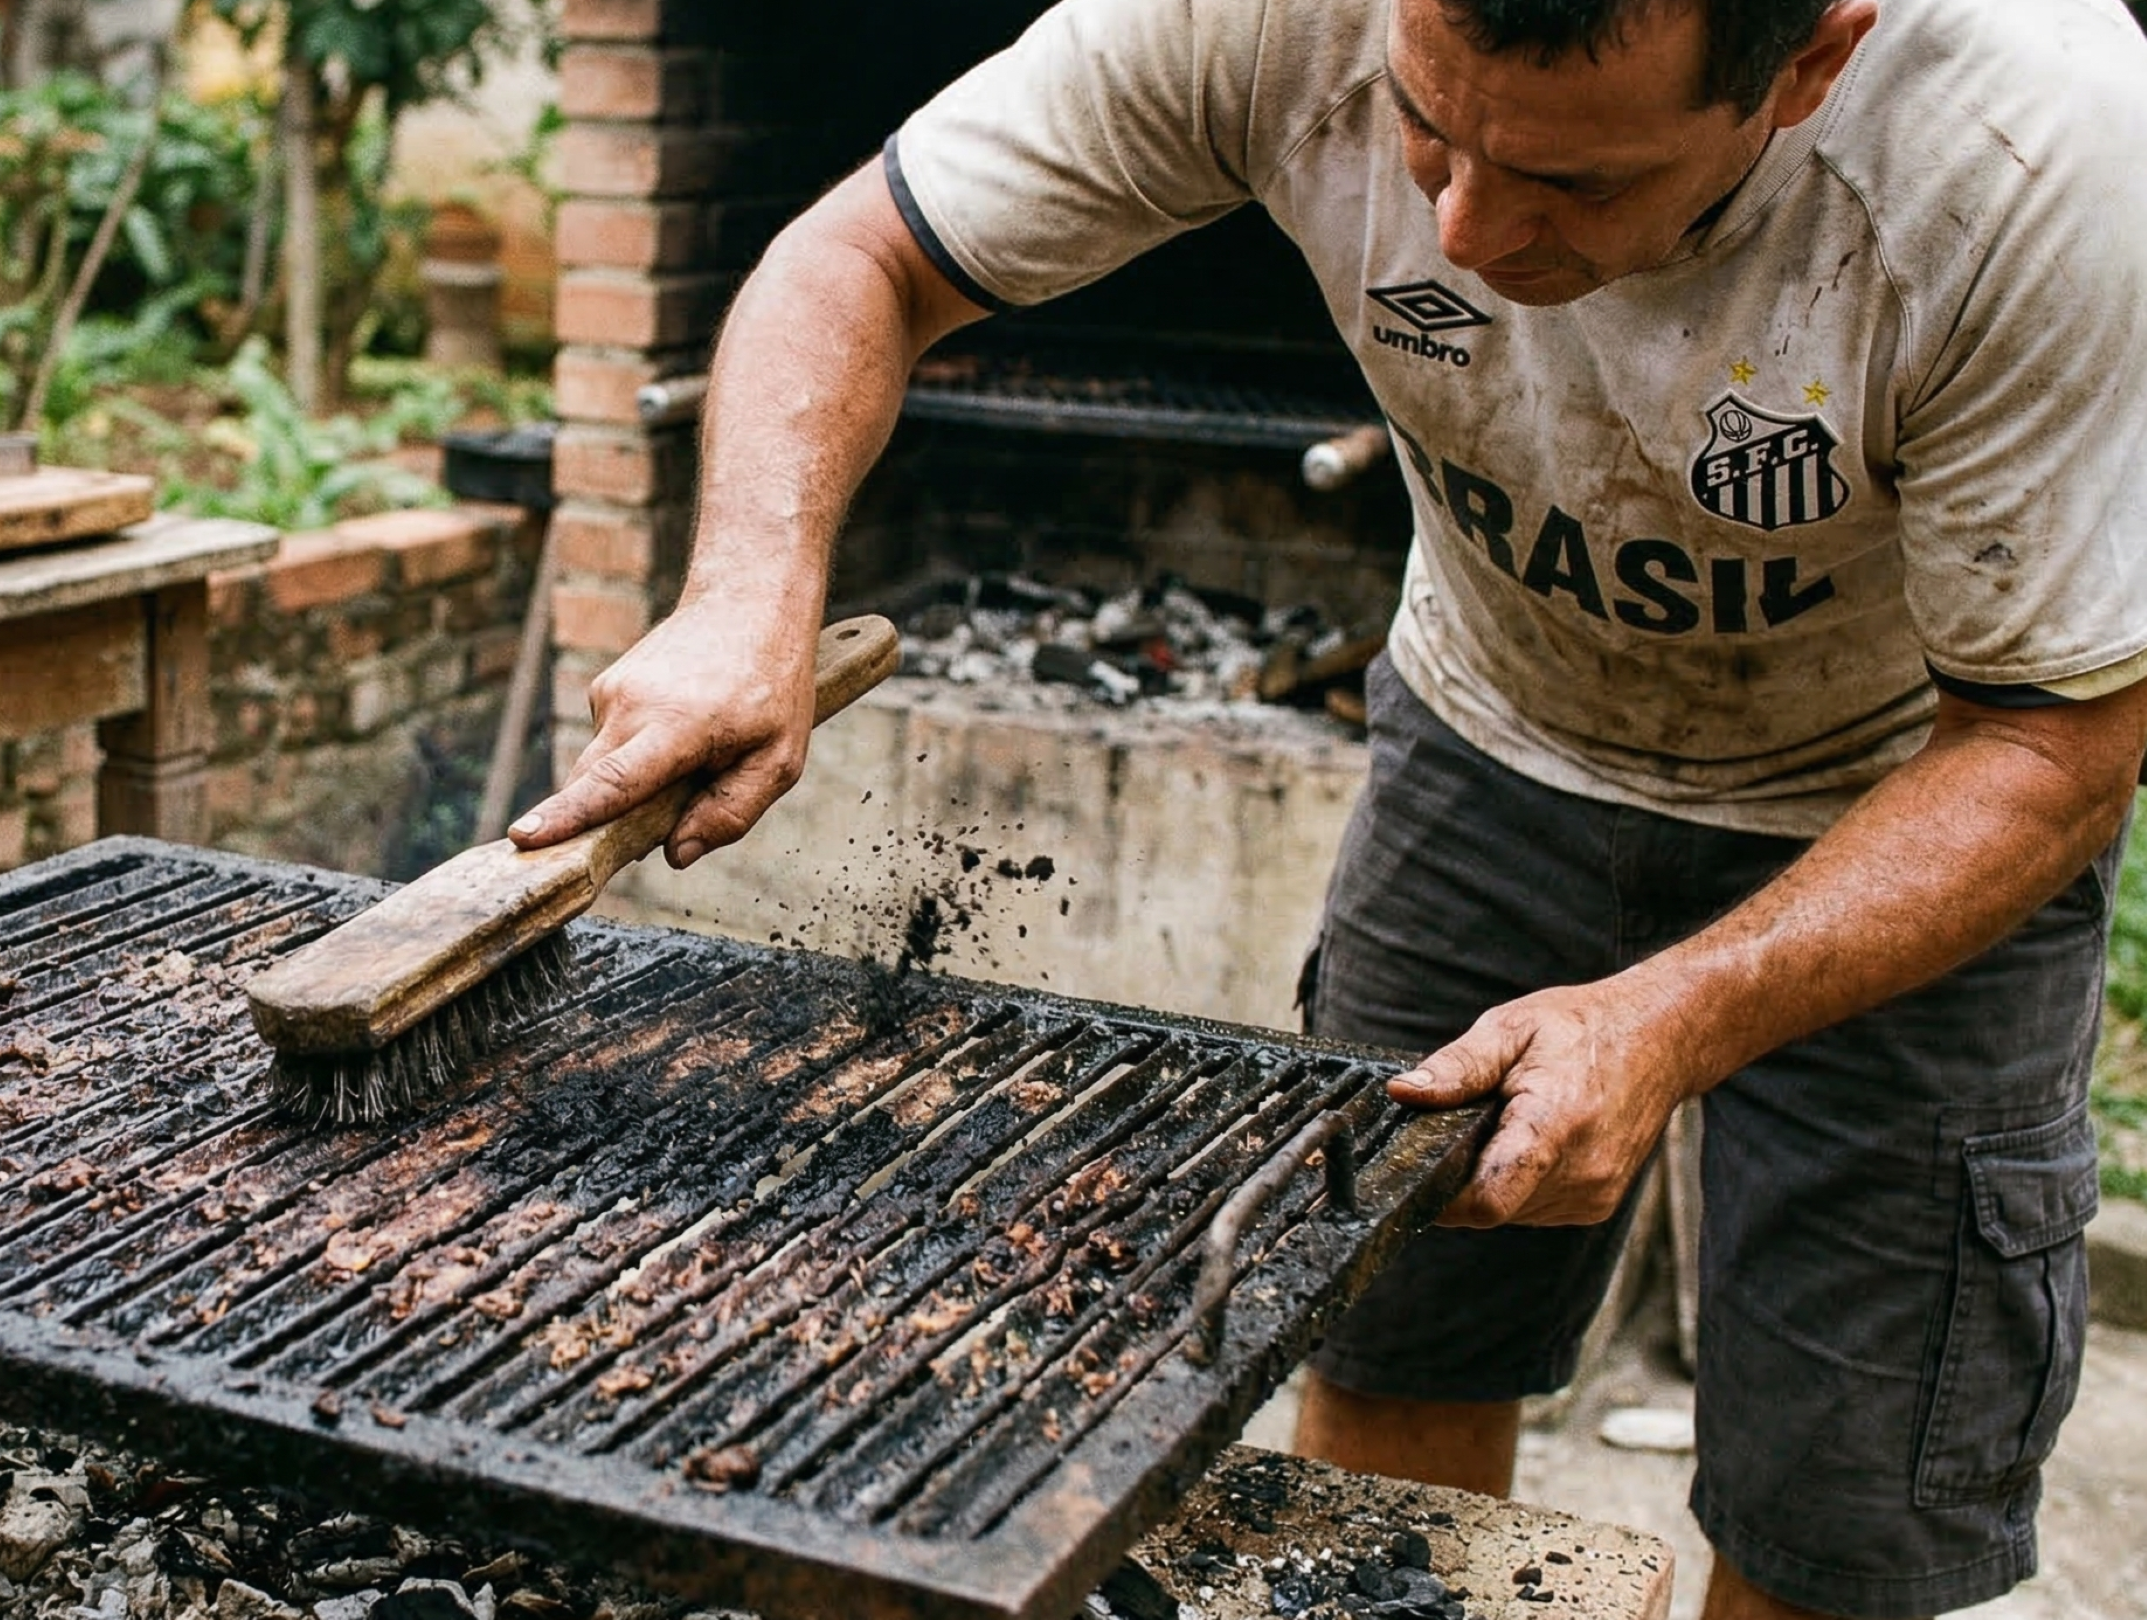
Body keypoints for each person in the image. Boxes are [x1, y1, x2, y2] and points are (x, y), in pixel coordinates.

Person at [503, 0, 2147, 1614]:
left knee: (1840, 1509)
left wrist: (1674, 1013)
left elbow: (2057, 745)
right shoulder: (1265, 12)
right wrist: (744, 588)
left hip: (1913, 798)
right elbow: (860, 256)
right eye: (1426, 128)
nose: (1470, 231)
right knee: (1387, 1326)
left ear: (1810, 56)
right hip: (1493, 733)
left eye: (1575, 186)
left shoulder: (2036, 154)